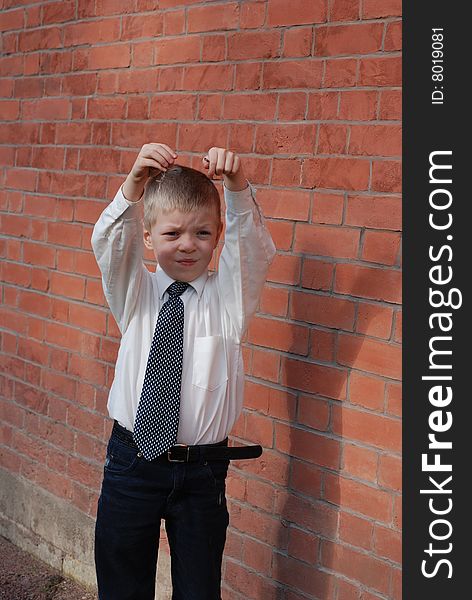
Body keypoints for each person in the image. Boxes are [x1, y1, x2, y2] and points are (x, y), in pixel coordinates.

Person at [91, 143, 276, 600]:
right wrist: (134, 183)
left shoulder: (229, 301)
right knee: (122, 580)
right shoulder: (135, 292)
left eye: (202, 233)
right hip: (132, 462)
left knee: (198, 588)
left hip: (203, 471)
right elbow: (111, 242)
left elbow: (251, 250)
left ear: (217, 236)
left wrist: (235, 188)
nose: (189, 245)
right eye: (173, 234)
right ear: (149, 238)